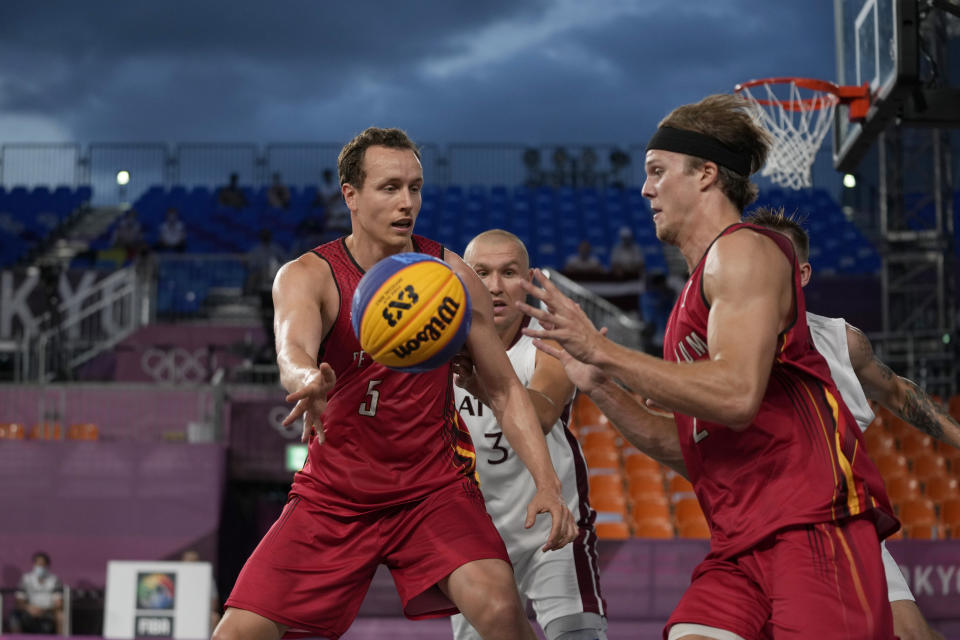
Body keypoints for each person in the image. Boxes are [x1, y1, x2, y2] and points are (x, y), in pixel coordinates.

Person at [516, 94, 899, 640]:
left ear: (706, 175)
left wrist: (605, 351)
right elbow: (690, 446)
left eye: (656, 172)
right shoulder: (692, 300)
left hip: (809, 523)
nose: (645, 189)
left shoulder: (743, 252)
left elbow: (738, 394)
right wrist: (599, 385)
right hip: (741, 543)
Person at [213, 127, 577, 640]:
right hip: (334, 494)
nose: (407, 202)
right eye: (389, 188)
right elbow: (290, 348)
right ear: (351, 196)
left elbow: (504, 389)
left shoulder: (450, 274)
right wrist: (306, 379)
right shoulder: (307, 275)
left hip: (432, 488)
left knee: (499, 610)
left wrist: (547, 483)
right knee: (235, 635)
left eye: (415, 187)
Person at [749, 206, 959, 640]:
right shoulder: (722, 349)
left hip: (846, 524)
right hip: (763, 532)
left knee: (913, 634)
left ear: (801, 273)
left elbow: (898, 392)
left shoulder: (841, 342)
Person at [451, 229, 607, 640]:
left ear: (529, 280)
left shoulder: (549, 343)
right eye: (481, 272)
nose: (495, 286)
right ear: (463, 279)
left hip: (551, 530)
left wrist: (483, 388)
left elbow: (538, 415)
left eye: (509, 273)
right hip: (473, 541)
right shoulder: (435, 350)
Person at [245, 229, 286, 363]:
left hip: (275, 289)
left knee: (275, 318)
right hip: (264, 291)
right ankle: (270, 337)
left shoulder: (276, 250)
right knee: (267, 318)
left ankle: (274, 335)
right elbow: (252, 269)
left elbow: (286, 265)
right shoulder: (256, 252)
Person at [8, 551, 64, 635]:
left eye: (43, 565)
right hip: (28, 611)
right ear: (34, 565)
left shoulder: (54, 580)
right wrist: (29, 608)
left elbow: (58, 603)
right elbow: (19, 602)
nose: (40, 567)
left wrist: (44, 610)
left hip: (48, 611)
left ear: (47, 566)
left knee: (61, 616)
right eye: (38, 564)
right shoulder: (26, 579)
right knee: (14, 616)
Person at [180, 549, 222, 631]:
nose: (191, 564)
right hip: (182, 611)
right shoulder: (178, 577)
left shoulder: (207, 578)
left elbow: (214, 603)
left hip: (200, 612)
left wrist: (199, 610)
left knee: (214, 617)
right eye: (189, 561)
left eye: (194, 561)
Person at [314, 168, 351, 239]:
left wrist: (330, 199)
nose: (327, 177)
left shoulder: (338, 185)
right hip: (330, 212)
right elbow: (321, 200)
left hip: (341, 210)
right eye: (326, 176)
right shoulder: (322, 188)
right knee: (329, 228)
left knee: (346, 227)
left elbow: (339, 195)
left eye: (328, 175)